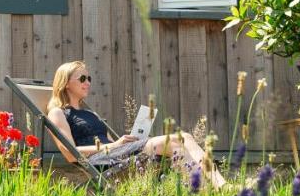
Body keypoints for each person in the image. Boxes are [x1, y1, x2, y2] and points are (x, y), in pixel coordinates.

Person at [45, 60, 225, 188]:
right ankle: (219, 187)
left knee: (181, 143)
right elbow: (70, 154)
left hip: (116, 154)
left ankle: (209, 189)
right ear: (66, 83)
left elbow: (108, 142)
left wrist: (127, 142)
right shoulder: (58, 113)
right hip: (100, 162)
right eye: (82, 79)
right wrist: (114, 145)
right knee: (180, 139)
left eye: (89, 78)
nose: (88, 83)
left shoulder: (90, 113)